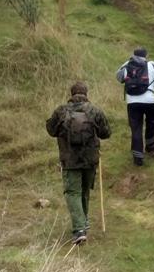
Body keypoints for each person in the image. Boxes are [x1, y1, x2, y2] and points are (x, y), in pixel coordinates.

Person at [45, 81, 111, 245]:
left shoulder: (61, 111)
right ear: (86, 94)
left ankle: (79, 229)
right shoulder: (94, 111)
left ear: (71, 94)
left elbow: (51, 130)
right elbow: (106, 133)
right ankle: (83, 221)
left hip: (70, 159)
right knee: (84, 190)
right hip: (90, 159)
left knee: (73, 192)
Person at [116, 48, 154, 166]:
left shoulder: (127, 66)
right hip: (149, 101)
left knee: (136, 128)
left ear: (133, 55)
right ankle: (151, 146)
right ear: (146, 55)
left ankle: (138, 156)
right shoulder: (151, 65)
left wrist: (126, 62)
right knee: (151, 123)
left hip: (132, 102)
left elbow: (118, 77)